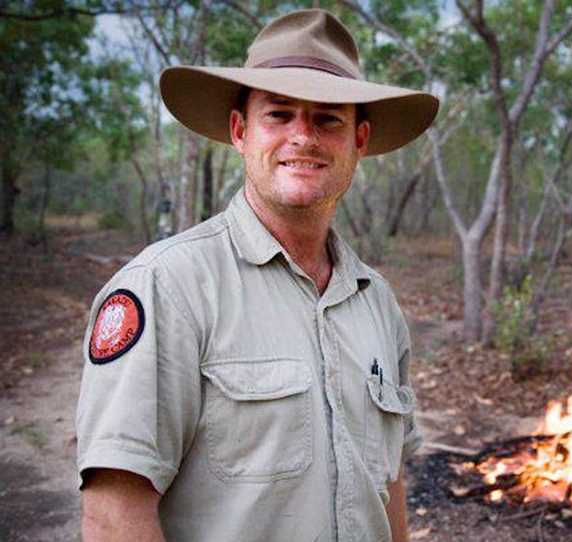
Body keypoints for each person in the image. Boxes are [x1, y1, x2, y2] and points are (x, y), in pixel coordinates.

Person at [76, 9, 438, 542]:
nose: (303, 137)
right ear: (241, 131)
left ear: (359, 140)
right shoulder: (169, 286)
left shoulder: (376, 302)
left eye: (327, 119)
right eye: (280, 115)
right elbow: (114, 514)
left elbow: (391, 483)